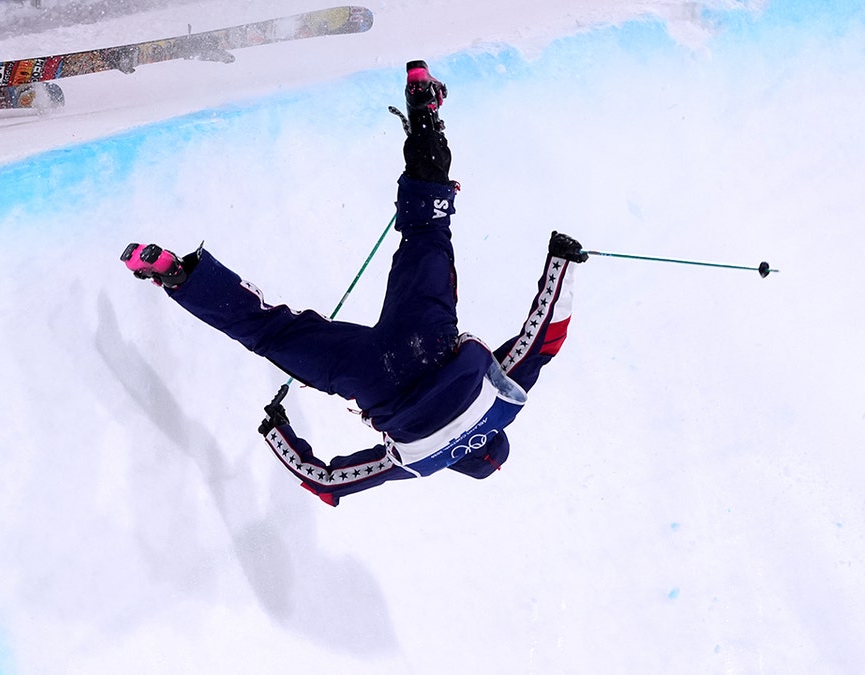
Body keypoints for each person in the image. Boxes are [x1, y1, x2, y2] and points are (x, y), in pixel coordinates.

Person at [121, 60, 588, 506]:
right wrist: (278, 431)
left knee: (428, 225)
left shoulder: (502, 405)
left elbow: (542, 337)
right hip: (369, 376)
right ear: (456, 465)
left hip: (426, 335)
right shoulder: (416, 463)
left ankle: (423, 106)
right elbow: (326, 482)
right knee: (269, 332)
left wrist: (562, 262)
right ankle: (175, 272)